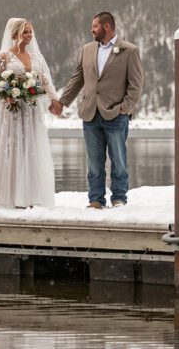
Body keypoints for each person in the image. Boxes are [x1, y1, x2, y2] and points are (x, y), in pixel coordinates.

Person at [50, 12, 143, 208]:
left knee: (119, 161)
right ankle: (96, 200)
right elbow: (78, 78)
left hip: (116, 114)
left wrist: (125, 108)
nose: (91, 30)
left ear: (106, 26)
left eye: (95, 26)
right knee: (94, 162)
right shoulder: (87, 49)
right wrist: (62, 102)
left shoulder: (129, 50)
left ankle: (119, 199)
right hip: (90, 113)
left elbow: (136, 84)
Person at [0, 17, 58, 208]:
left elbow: (45, 81)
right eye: (25, 32)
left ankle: (31, 195)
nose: (29, 35)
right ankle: (8, 196)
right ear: (15, 34)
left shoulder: (36, 57)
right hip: (12, 112)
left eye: (30, 32)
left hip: (31, 111)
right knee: (12, 149)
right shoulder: (4, 56)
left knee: (31, 149)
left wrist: (54, 100)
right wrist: (7, 96)